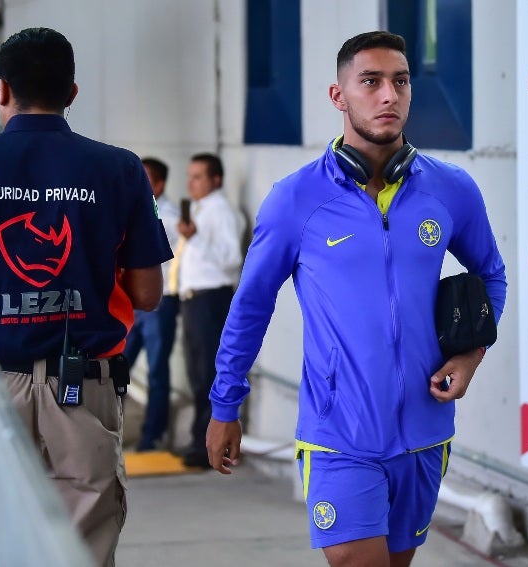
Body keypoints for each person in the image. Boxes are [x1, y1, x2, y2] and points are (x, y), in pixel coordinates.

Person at [206, 30, 507, 566]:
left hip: (425, 432)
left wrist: (470, 354)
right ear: (338, 96)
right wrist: (225, 403)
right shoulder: (295, 199)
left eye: (401, 81)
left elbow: (491, 275)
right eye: (370, 81)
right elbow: (251, 306)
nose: (389, 95)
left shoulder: (451, 188)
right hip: (338, 434)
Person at [0, 28, 172, 567]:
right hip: (83, 388)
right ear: (72, 92)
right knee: (81, 550)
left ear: (2, 90)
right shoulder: (120, 169)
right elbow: (147, 293)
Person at [176, 152, 243, 468]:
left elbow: (231, 258)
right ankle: (199, 441)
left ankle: (207, 448)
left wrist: (197, 238)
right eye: (189, 176)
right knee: (195, 373)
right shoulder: (200, 209)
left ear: (216, 179)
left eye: (198, 176)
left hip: (210, 298)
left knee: (207, 374)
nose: (191, 183)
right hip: (193, 299)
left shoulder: (221, 211)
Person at [124, 157, 181, 451]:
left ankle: (152, 435)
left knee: (157, 371)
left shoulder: (168, 216)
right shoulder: (137, 211)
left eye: (143, 179)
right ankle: (111, 427)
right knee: (118, 366)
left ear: (158, 185)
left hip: (160, 302)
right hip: (132, 303)